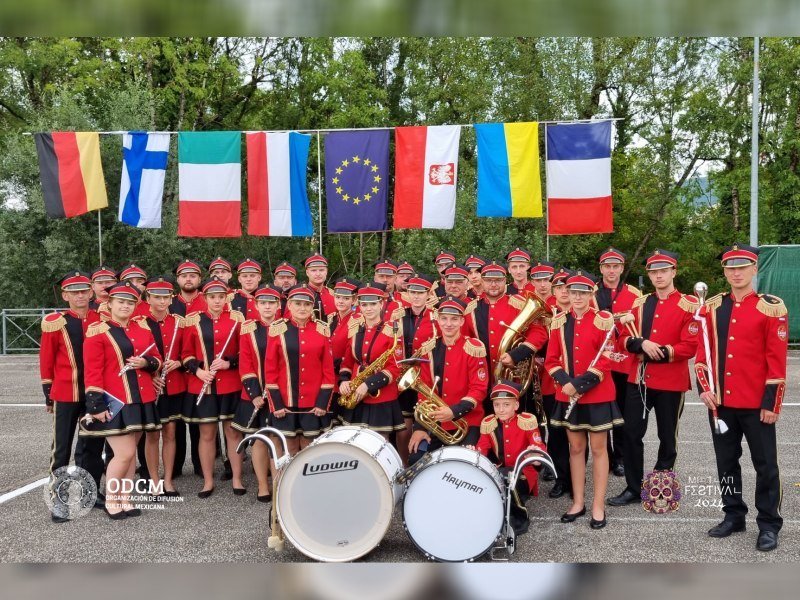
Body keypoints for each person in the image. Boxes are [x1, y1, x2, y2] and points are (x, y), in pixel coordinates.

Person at [695, 243, 788, 552]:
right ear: (724, 271)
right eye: (730, 267)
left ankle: (769, 523)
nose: (736, 272)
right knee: (726, 464)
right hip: (721, 403)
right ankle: (733, 514)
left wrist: (771, 403)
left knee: (765, 465)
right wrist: (705, 388)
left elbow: (776, 360)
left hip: (756, 403)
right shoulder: (711, 306)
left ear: (754, 269)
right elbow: (701, 354)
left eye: (742, 266)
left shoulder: (771, 307)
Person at [609, 250, 699, 507]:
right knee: (630, 434)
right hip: (639, 379)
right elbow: (622, 339)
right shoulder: (639, 304)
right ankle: (634, 487)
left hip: (671, 381)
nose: (658, 276)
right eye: (653, 272)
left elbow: (689, 346)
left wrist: (657, 351)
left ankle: (660, 487)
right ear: (649, 275)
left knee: (667, 437)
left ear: (673, 272)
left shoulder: (688, 304)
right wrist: (641, 343)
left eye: (663, 271)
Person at [545, 271, 622, 529]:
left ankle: (598, 506)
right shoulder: (558, 322)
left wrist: (578, 385)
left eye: (582, 292)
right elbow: (551, 360)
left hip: (597, 395)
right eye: (572, 292)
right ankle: (578, 502)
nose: (576, 297)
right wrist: (566, 383)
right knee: (575, 449)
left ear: (591, 294)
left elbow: (607, 359)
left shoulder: (603, 320)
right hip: (567, 394)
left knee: (599, 450)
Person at [79, 282, 162, 520]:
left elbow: (156, 359)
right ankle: (112, 500)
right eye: (121, 302)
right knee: (124, 454)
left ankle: (125, 498)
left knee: (131, 454)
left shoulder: (142, 329)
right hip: (115, 401)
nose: (126, 306)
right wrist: (96, 406)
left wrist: (146, 364)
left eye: (130, 302)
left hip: (140, 399)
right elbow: (92, 371)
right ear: (110, 304)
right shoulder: (98, 330)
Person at [40, 272, 105, 522]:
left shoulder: (101, 319)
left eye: (84, 290)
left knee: (92, 446)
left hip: (94, 396)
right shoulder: (55, 322)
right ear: (65, 295)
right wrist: (48, 394)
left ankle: (91, 492)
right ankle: (59, 499)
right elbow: (46, 361)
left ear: (91, 293)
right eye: (74, 292)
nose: (80, 295)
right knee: (62, 448)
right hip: (66, 393)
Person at [181, 277, 244, 498]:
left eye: (221, 297)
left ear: (226, 297)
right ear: (205, 298)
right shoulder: (193, 320)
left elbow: (245, 352)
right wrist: (198, 370)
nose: (217, 301)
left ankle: (237, 477)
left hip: (230, 385)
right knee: (206, 435)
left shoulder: (237, 319)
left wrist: (229, 363)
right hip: (204, 385)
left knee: (233, 432)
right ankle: (208, 481)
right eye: (212, 297)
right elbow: (185, 353)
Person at [407, 297, 489, 464]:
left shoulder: (473, 348)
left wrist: (453, 411)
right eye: (444, 318)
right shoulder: (429, 349)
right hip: (436, 423)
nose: (448, 324)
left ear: (461, 321)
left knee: (465, 464)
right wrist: (420, 428)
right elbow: (424, 392)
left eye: (454, 319)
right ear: (438, 319)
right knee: (417, 458)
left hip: (467, 422)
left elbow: (479, 390)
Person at [264, 285, 336, 455]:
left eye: (307, 304)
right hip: (286, 402)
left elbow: (328, 371)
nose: (302, 308)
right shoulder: (278, 329)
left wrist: (322, 403)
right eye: (297, 303)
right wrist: (277, 403)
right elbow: (270, 370)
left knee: (309, 449)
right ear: (289, 305)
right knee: (289, 448)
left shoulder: (322, 329)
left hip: (313, 402)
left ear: (312, 307)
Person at [474, 380, 547, 535]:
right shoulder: (489, 423)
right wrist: (473, 453)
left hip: (524, 472)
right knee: (492, 484)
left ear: (516, 406)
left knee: (508, 485)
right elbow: (482, 448)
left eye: (506, 404)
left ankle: (520, 519)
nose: (501, 409)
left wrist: (535, 454)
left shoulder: (527, 421)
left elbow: (539, 446)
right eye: (497, 405)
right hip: (502, 470)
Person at [134, 276, 185, 498]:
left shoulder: (179, 322)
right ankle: (154, 481)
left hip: (173, 384)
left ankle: (168, 480)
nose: (162, 301)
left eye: (165, 297)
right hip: (151, 384)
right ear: (148, 298)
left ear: (171, 298)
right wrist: (150, 375)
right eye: (156, 297)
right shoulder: (138, 322)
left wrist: (180, 362)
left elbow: (189, 350)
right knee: (152, 434)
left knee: (171, 433)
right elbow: (134, 355)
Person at [594, 247, 642, 477]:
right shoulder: (590, 292)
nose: (611, 271)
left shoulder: (634, 293)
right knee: (602, 412)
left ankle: (620, 457)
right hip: (598, 360)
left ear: (622, 268)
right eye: (607, 266)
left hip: (623, 362)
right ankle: (607, 456)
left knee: (622, 413)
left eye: (616, 266)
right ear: (601, 268)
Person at [232, 285, 282, 502]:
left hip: (280, 393)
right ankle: (263, 485)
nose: (268, 306)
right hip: (256, 394)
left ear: (279, 305)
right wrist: (254, 394)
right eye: (263, 302)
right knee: (260, 439)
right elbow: (245, 363)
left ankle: (279, 484)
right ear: (256, 305)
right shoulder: (248, 328)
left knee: (277, 440)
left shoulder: (285, 327)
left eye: (272, 302)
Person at [338, 282, 405, 438]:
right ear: (359, 306)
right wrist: (344, 380)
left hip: (381, 396)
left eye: (373, 304)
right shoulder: (355, 329)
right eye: (364, 304)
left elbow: (395, 369)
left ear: (381, 304)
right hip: (355, 393)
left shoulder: (392, 331)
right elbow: (347, 362)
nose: (368, 308)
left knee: (379, 442)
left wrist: (368, 385)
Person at [540, 268, 575, 498]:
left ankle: (576, 478)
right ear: (553, 291)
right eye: (559, 287)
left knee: (577, 434)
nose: (563, 291)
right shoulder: (544, 313)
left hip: (577, 385)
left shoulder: (585, 313)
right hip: (549, 382)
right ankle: (561, 478)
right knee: (556, 432)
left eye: (566, 287)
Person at [395, 274, 437, 464]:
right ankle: (404, 465)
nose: (417, 297)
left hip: (426, 376)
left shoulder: (436, 316)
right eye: (413, 292)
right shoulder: (398, 315)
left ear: (428, 294)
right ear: (407, 293)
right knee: (404, 427)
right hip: (402, 376)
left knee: (424, 421)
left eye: (421, 293)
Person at [304, 254, 337, 320]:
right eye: (314, 270)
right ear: (307, 273)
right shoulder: (300, 294)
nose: (318, 274)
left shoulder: (333, 294)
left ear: (326, 272)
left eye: (321, 270)